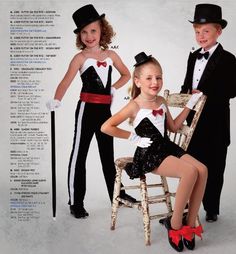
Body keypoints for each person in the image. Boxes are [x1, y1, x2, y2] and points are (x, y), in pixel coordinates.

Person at [101, 52, 208, 252]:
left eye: (158, 77)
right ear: (138, 81)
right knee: (190, 172)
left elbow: (174, 127)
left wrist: (190, 105)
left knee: (202, 169)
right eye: (149, 78)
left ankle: (190, 221)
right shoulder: (134, 105)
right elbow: (106, 127)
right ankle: (175, 224)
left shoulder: (161, 101)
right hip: (150, 153)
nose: (155, 82)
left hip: (167, 147)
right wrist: (134, 138)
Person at [46, 4, 136, 219]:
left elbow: (126, 75)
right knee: (80, 155)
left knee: (108, 156)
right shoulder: (80, 58)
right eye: (84, 32)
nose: (89, 36)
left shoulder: (111, 55)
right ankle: (76, 202)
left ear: (102, 30)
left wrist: (113, 88)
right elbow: (65, 82)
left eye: (93, 30)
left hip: (106, 111)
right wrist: (56, 100)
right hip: (86, 110)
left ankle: (118, 194)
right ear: (79, 36)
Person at [180, 3, 236, 223]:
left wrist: (204, 93)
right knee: (190, 165)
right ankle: (185, 206)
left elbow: (232, 90)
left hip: (216, 122)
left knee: (214, 167)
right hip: (193, 121)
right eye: (197, 31)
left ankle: (211, 207)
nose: (201, 36)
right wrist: (184, 94)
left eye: (206, 31)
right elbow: (186, 85)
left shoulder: (229, 59)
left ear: (218, 31)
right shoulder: (193, 57)